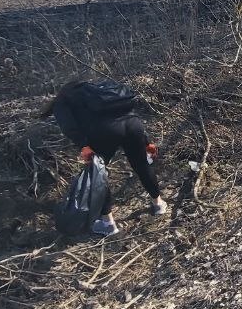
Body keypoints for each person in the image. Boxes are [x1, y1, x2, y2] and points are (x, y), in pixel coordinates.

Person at [39, 80, 166, 236]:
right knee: (142, 165)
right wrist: (146, 141)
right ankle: (158, 204)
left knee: (99, 174)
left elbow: (68, 126)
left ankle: (108, 223)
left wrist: (83, 145)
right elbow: (126, 112)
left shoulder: (62, 101)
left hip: (105, 132)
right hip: (133, 125)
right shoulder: (99, 93)